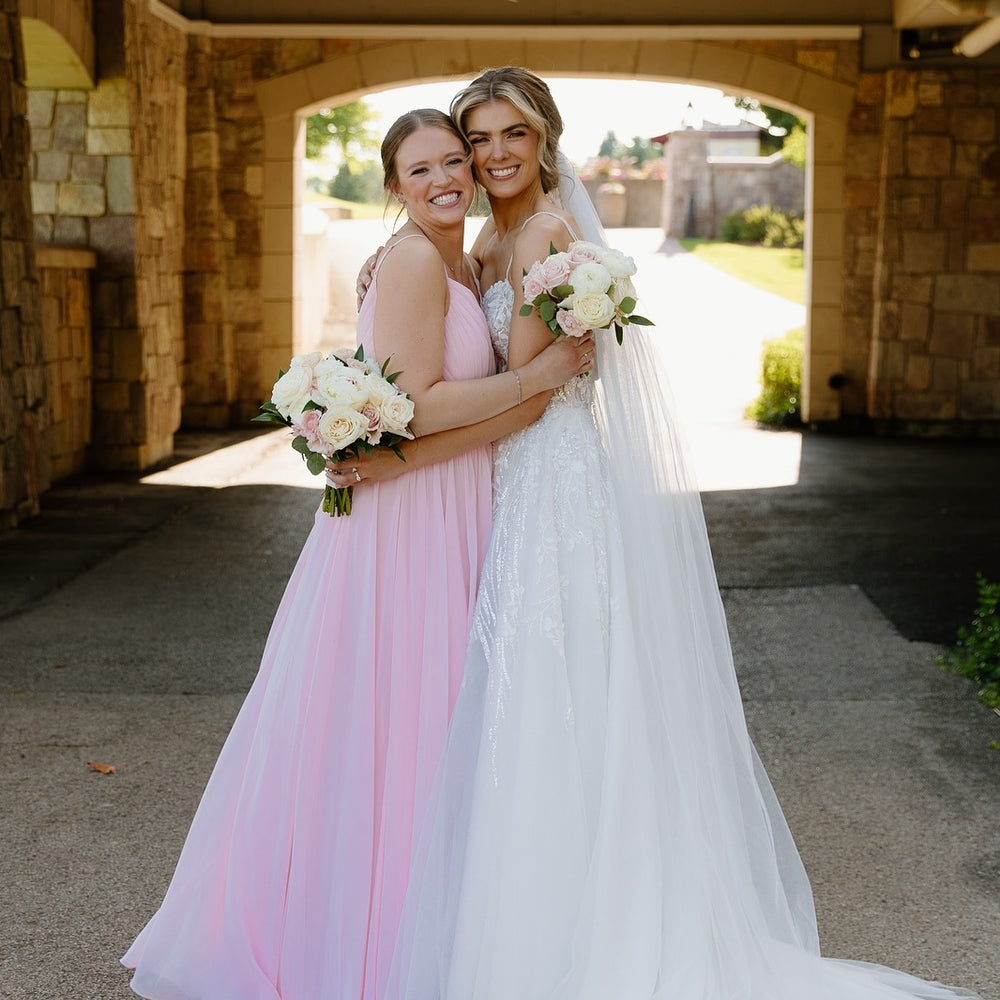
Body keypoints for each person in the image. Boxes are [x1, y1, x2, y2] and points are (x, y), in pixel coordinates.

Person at [344, 68, 985, 1000]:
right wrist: (394, 261)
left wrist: (393, 455)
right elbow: (451, 317)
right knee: (537, 693)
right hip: (511, 482)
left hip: (545, 485)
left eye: (509, 135)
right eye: (475, 140)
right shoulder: (491, 237)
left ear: (545, 137)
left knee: (546, 695)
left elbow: (531, 394)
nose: (491, 155)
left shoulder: (548, 236)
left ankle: (566, 934)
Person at [120, 108, 591, 1000]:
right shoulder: (417, 259)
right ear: (393, 187)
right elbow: (419, 400)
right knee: (400, 716)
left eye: (455, 159)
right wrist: (533, 379)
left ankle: (415, 922)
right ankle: (368, 940)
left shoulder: (464, 257)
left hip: (443, 498)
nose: (449, 176)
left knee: (418, 715)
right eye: (422, 170)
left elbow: (413, 395)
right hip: (412, 512)